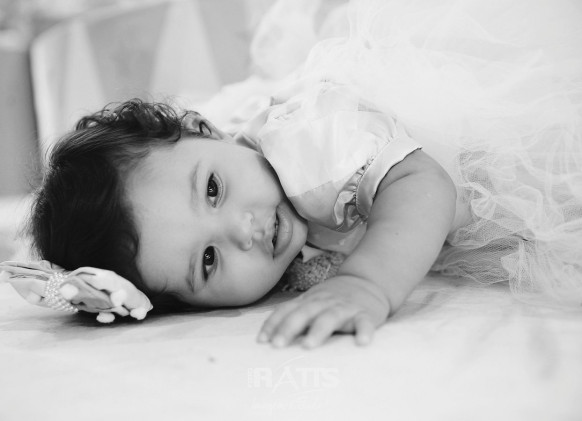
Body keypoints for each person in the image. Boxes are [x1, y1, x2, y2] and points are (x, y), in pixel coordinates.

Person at [2, 0, 581, 348]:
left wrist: (367, 284)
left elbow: (425, 185)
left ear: (209, 130)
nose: (243, 231)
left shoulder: (305, 141)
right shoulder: (246, 227)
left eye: (213, 190)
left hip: (510, 161)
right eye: (208, 261)